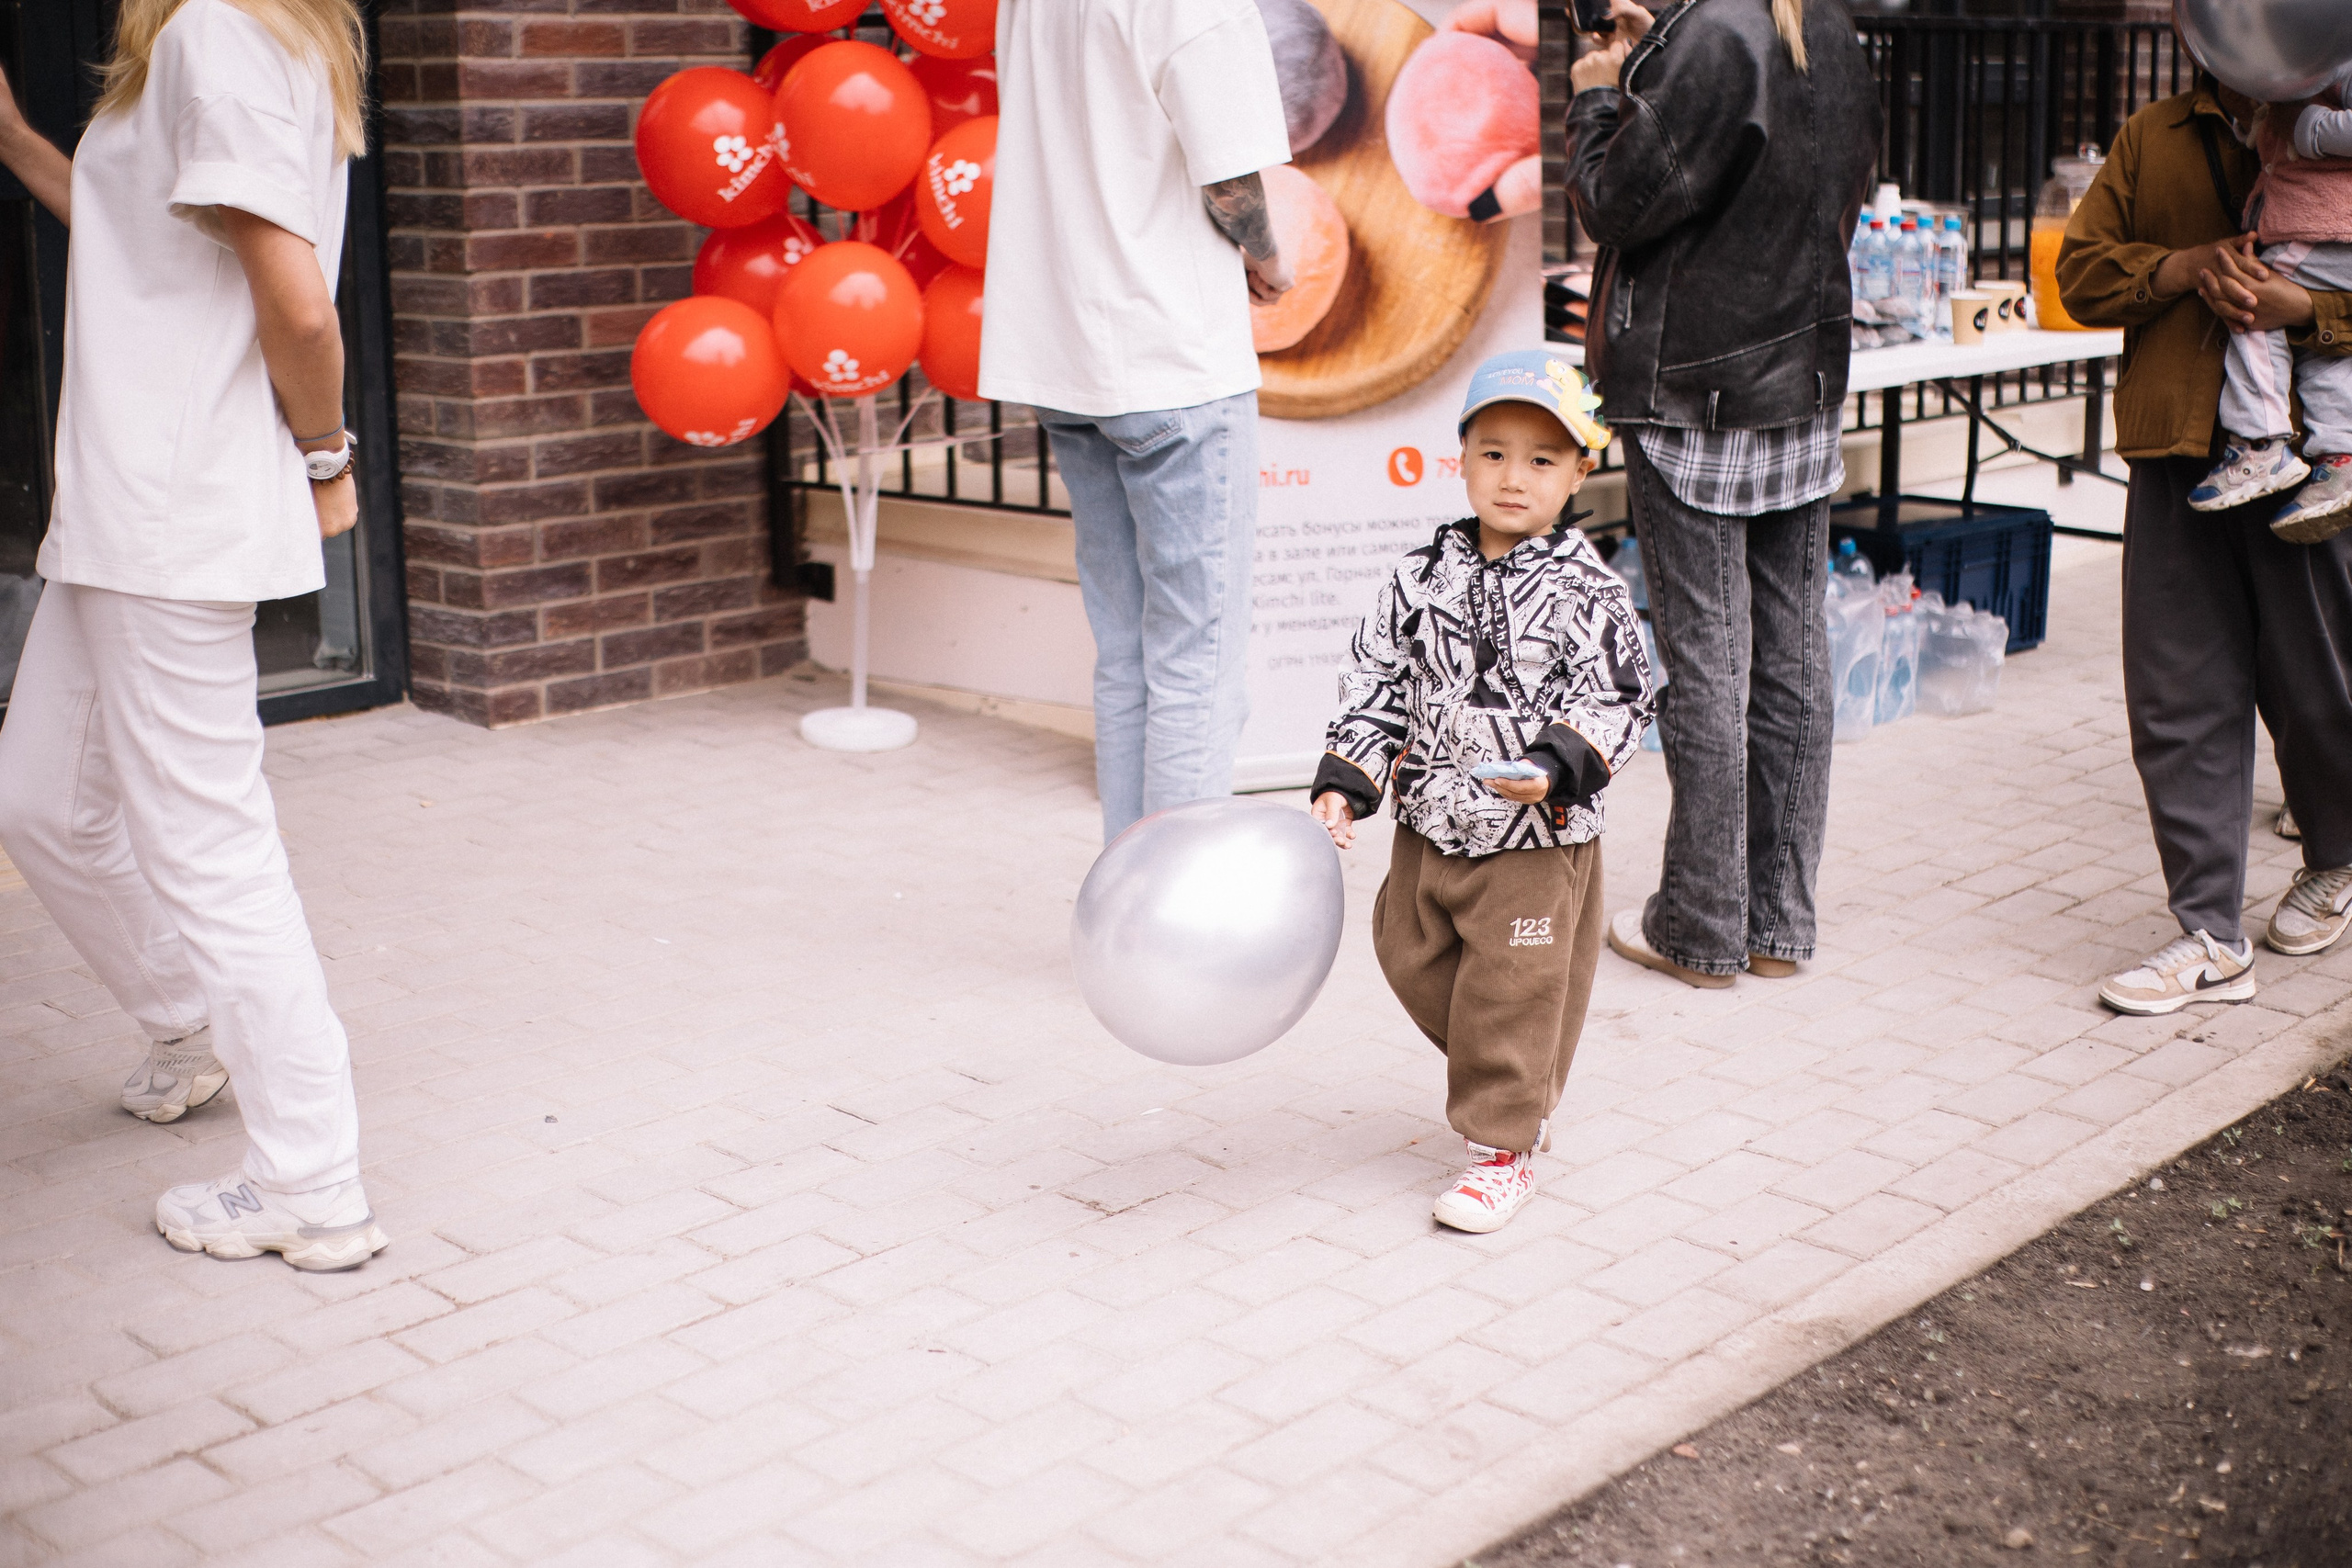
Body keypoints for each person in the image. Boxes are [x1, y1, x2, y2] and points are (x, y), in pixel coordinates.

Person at [0, 0, 387, 1270]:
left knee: (212, 850)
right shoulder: (236, 35)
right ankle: (185, 1024)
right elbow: (142, 251)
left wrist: (328, 458)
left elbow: (301, 307)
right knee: (41, 799)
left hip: (168, 513)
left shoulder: (216, 33)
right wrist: (15, 141)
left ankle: (312, 1180)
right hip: (122, 511)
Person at [1566, 0, 1880, 990]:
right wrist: (1646, 53)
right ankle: (1776, 925)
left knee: (1708, 663)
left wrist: (1595, 98)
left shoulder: (1710, 34)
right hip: (1799, 378)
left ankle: (1700, 926)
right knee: (1791, 654)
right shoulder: (1824, 24)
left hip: (1694, 393)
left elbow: (1614, 204)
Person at [1310, 352, 1653, 1234]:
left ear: (1580, 471)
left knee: (1512, 989)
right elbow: (1376, 680)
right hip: (1431, 820)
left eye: (1542, 459)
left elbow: (1620, 698)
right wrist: (1349, 778)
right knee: (1404, 948)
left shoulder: (1589, 591)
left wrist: (1556, 764)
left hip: (1536, 835)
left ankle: (1503, 1147)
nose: (1513, 476)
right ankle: (1511, 1075)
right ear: (1459, 459)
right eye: (1493, 453)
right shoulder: (1418, 577)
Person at [2058, 75, 2352, 1016]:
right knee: (2176, 693)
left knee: (2319, 685)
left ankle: (2338, 857)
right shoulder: (2153, 134)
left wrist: (2303, 311)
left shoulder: (2337, 121)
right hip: (2177, 456)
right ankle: (2211, 935)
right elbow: (2079, 276)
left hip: (2312, 464)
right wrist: (2180, 268)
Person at [981, 0, 1295, 842]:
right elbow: (1229, 181)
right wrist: (1269, 256)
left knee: (1126, 656)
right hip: (1170, 351)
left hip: (1063, 349)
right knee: (1198, 665)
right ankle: (1176, 908)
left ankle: (1126, 893)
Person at [2186, 81, 2352, 540]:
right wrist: (2257, 115)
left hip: (2324, 226)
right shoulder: (2304, 67)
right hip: (2322, 229)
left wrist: (2305, 126)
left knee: (2248, 295)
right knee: (2322, 349)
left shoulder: (2338, 53)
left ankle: (2260, 442)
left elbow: (2310, 128)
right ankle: (2341, 460)